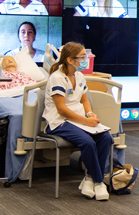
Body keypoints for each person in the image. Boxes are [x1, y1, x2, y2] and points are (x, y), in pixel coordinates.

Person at [42, 42, 112, 200]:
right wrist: (85, 122)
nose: (85, 60)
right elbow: (61, 109)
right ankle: (99, 182)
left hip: (78, 119)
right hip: (59, 121)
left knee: (106, 138)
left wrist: (90, 114)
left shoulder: (79, 76)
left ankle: (89, 178)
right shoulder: (57, 78)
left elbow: (85, 100)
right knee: (88, 142)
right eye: (82, 57)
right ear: (70, 60)